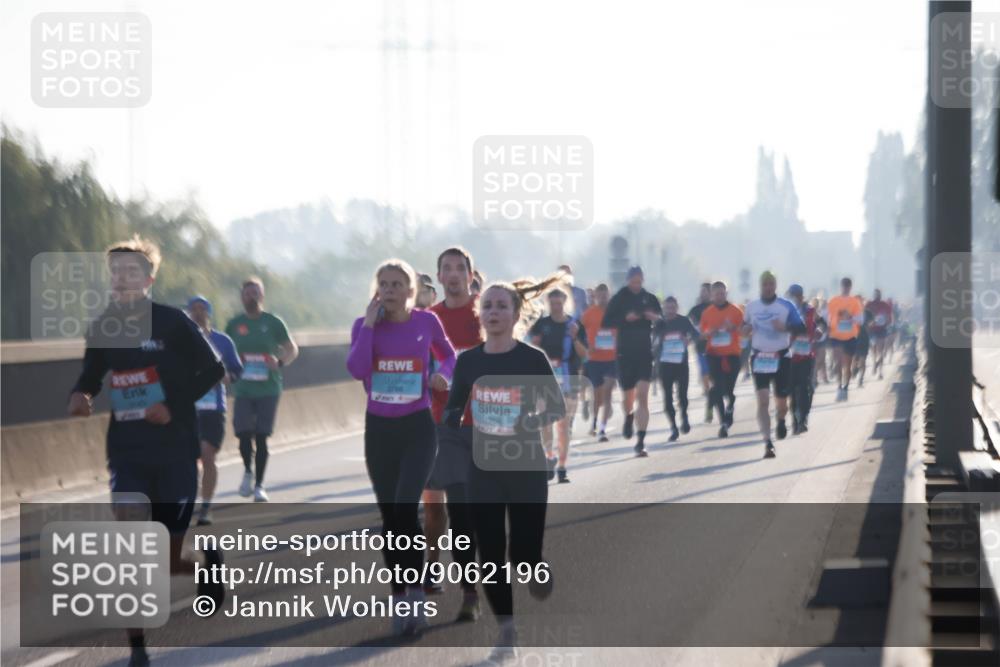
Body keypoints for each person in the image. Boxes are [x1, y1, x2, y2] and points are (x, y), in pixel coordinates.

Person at [67, 237, 227, 667]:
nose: (122, 278)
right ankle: (138, 647)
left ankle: (203, 567)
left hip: (175, 451)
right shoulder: (103, 326)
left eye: (131, 271)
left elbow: (215, 369)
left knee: (169, 559)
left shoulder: (174, 323)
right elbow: (91, 374)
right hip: (127, 451)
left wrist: (170, 406)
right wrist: (81, 394)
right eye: (116, 271)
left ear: (149, 279)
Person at [442, 277, 566, 663]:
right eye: (488, 306)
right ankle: (508, 633)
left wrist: (526, 416)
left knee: (523, 555)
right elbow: (453, 409)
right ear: (480, 313)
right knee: (491, 554)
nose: (494, 312)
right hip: (484, 471)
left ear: (515, 315)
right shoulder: (468, 362)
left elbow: (554, 408)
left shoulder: (532, 359)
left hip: (526, 467)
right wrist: (450, 423)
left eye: (501, 306)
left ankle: (535, 566)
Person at [346, 258, 456, 636]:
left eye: (397, 284)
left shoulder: (426, 322)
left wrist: (443, 374)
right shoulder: (364, 326)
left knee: (405, 508)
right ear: (376, 289)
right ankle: (399, 596)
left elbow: (451, 355)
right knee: (391, 520)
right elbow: (357, 369)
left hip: (417, 428)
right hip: (379, 431)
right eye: (384, 284)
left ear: (411, 291)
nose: (390, 290)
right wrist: (370, 328)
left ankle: (416, 595)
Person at [426, 246, 484, 620]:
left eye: (458, 268)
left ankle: (471, 589)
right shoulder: (428, 319)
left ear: (469, 274)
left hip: (483, 423)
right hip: (441, 423)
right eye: (445, 268)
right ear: (439, 275)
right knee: (437, 509)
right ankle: (443, 571)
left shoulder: (487, 312)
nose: (452, 273)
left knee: (469, 513)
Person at [225, 277, 299, 501]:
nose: (252, 296)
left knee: (262, 436)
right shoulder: (234, 324)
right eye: (248, 293)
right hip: (244, 388)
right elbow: (224, 353)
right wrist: (228, 372)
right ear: (242, 297)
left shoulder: (273, 322)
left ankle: (259, 485)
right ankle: (248, 471)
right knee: (244, 434)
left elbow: (291, 348)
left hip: (268, 388)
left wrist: (280, 362)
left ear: (262, 296)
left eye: (256, 292)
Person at [187, 296, 243, 526]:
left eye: (203, 309)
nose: (199, 313)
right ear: (188, 313)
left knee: (207, 455)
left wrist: (226, 377)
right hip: (187, 409)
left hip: (213, 408)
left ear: (209, 313)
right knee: (189, 460)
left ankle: (206, 508)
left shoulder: (223, 341)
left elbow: (237, 370)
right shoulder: (180, 341)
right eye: (194, 309)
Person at [743, 272, 805, 458]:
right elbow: (743, 327)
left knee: (782, 402)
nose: (768, 287)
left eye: (771, 284)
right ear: (760, 286)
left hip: (781, 357)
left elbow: (801, 329)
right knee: (762, 400)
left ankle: (780, 419)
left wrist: (784, 328)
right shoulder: (752, 307)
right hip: (759, 357)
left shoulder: (786, 306)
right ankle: (767, 442)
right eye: (765, 284)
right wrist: (745, 330)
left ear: (775, 285)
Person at [602, 266, 662, 456]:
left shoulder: (650, 298)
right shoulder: (620, 298)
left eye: (639, 281)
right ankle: (628, 416)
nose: (636, 284)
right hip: (624, 353)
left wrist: (654, 317)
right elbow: (606, 322)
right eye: (633, 281)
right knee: (628, 398)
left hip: (644, 352)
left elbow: (662, 322)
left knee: (642, 396)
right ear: (628, 280)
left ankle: (641, 441)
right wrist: (625, 318)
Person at [530, 287, 588, 482]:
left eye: (559, 303)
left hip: (569, 377)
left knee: (564, 426)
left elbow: (584, 354)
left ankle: (562, 466)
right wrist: (535, 344)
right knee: (545, 422)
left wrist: (574, 338)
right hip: (545, 378)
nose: (556, 307)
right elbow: (533, 350)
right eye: (552, 303)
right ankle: (549, 457)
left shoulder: (574, 324)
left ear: (565, 302)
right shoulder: (541, 324)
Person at [699, 281, 744, 438]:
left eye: (722, 293)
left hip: (732, 355)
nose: (719, 296)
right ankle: (723, 423)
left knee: (728, 389)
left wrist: (734, 328)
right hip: (714, 354)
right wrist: (709, 333)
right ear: (712, 295)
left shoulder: (736, 311)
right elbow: (702, 333)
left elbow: (745, 331)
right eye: (716, 293)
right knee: (717, 388)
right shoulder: (707, 313)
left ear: (726, 293)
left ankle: (730, 404)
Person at [652, 296, 699, 442]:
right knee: (667, 399)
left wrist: (688, 340)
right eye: (667, 308)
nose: (670, 311)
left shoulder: (683, 321)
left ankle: (684, 416)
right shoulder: (659, 323)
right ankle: (673, 427)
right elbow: (653, 342)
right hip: (664, 365)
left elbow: (696, 335)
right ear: (663, 309)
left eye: (672, 308)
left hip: (681, 364)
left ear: (677, 308)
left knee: (682, 395)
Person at [581, 284, 617, 442]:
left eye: (605, 295)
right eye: (600, 295)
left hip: (612, 359)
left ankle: (602, 429)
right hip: (594, 360)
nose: (603, 298)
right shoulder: (588, 314)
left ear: (609, 295)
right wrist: (587, 346)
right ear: (595, 296)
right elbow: (580, 334)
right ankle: (594, 422)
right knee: (598, 396)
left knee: (608, 392)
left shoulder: (616, 313)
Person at [786, 285, 818, 435]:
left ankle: (803, 419)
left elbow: (821, 324)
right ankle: (795, 419)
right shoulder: (786, 312)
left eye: (796, 295)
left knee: (806, 387)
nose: (793, 298)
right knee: (792, 389)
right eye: (791, 295)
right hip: (790, 356)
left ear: (801, 296)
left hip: (806, 355)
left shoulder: (810, 310)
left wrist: (819, 331)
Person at [827, 278, 863, 402]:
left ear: (850, 287)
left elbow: (860, 320)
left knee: (847, 365)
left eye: (848, 286)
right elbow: (827, 316)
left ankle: (845, 387)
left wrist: (851, 317)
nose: (846, 287)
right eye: (844, 285)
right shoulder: (833, 301)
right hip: (836, 336)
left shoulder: (855, 302)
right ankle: (838, 387)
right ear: (841, 286)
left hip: (850, 336)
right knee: (838, 362)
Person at [687, 283, 714, 423]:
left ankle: (715, 398)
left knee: (715, 378)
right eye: (702, 291)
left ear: (711, 293)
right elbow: (687, 325)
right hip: (701, 347)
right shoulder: (695, 310)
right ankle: (709, 400)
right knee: (705, 374)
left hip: (716, 348)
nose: (703, 294)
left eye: (706, 291)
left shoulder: (716, 308)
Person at [866, 289, 893, 380]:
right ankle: (875, 363)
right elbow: (865, 316)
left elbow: (890, 319)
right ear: (874, 295)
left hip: (882, 330)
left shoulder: (885, 305)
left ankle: (880, 372)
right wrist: (870, 323)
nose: (877, 296)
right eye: (876, 294)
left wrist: (885, 322)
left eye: (879, 294)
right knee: (874, 351)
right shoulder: (869, 305)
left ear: (881, 295)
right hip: (872, 331)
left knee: (880, 351)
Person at [854, 307, 873, 387]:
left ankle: (861, 379)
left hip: (864, 339)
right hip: (854, 339)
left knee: (863, 360)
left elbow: (872, 322)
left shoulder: (867, 312)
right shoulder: (853, 312)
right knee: (854, 360)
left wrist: (868, 325)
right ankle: (856, 368)